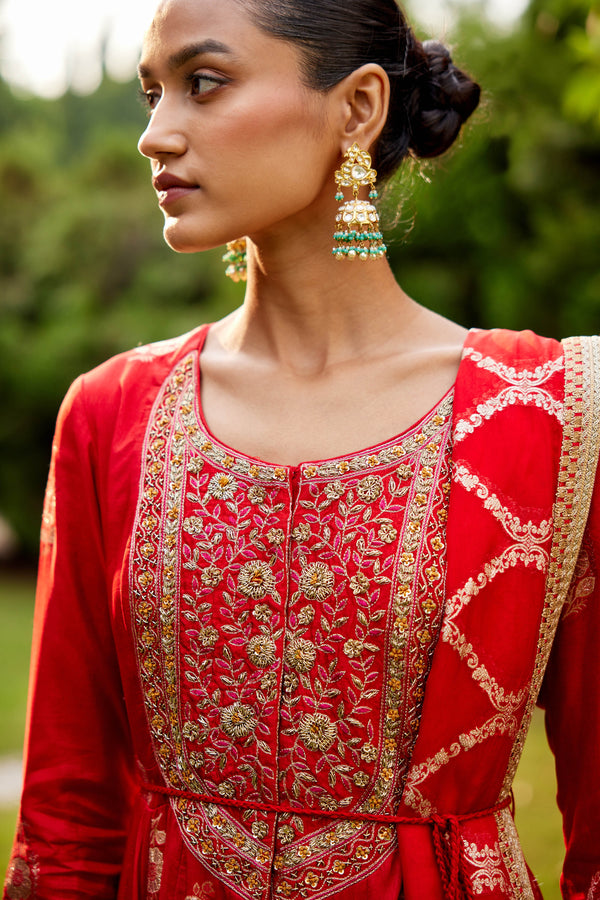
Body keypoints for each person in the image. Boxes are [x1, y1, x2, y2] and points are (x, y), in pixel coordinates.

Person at [4, 0, 600, 898]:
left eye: (204, 83)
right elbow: (66, 824)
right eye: (150, 94)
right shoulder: (112, 413)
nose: (155, 135)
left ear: (356, 108)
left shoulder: (549, 413)